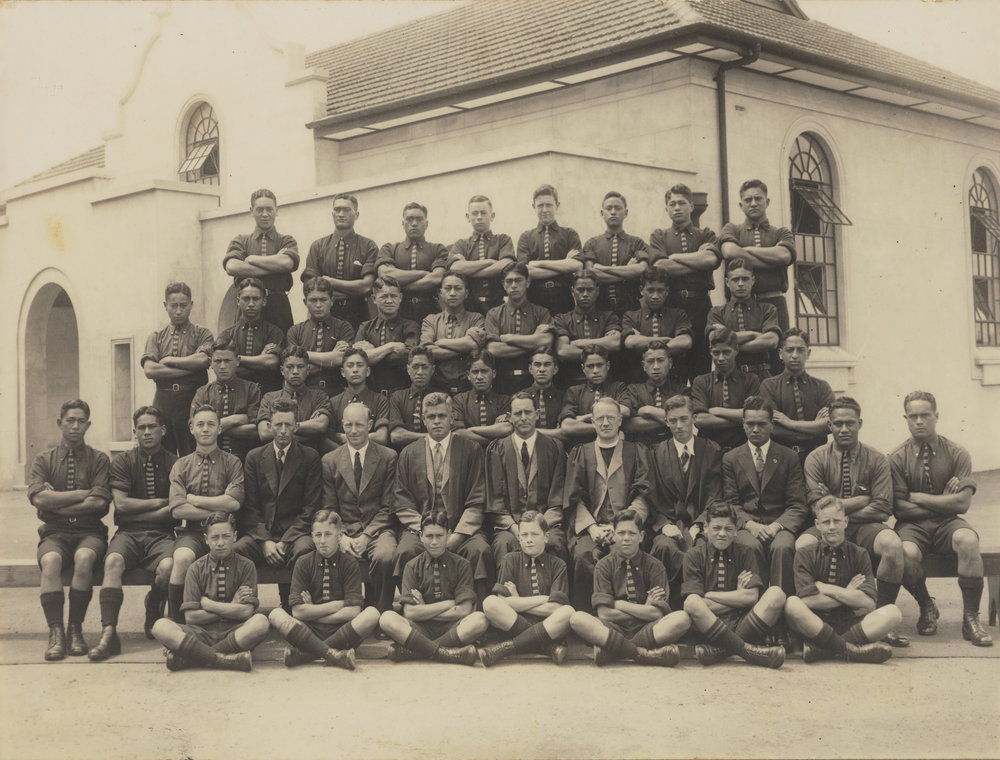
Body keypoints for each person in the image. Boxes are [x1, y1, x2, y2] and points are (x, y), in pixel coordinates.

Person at [800, 396, 909, 647]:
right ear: (829, 426)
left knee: (892, 545)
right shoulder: (815, 458)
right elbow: (817, 507)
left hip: (865, 527)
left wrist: (834, 506)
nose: (844, 429)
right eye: (838, 424)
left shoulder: (877, 458)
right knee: (801, 545)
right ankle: (817, 616)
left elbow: (882, 508)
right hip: (827, 527)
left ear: (860, 423)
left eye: (850, 423)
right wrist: (862, 499)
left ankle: (879, 615)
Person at [890, 391, 992, 646]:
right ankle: (926, 604)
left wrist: (919, 497)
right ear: (906, 418)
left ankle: (971, 620)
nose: (919, 421)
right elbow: (899, 510)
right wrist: (942, 503)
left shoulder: (957, 453)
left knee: (968, 540)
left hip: (949, 524)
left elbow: (962, 504)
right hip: (912, 526)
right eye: (913, 416)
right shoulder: (896, 457)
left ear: (937, 416)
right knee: (904, 552)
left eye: (925, 415)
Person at [88, 406, 177, 661]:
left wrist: (145, 508)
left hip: (161, 534)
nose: (147, 432)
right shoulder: (124, 461)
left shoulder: (174, 462)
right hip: (128, 532)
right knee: (113, 561)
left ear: (163, 430)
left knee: (169, 567)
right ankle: (109, 633)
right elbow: (122, 506)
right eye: (141, 428)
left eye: (152, 427)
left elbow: (175, 511)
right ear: (135, 431)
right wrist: (160, 503)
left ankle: (154, 604)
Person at [392, 393, 495, 602]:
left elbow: (477, 498)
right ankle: (411, 612)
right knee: (406, 550)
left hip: (461, 529)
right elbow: (402, 501)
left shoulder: (471, 450)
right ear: (423, 420)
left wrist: (457, 535)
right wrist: (426, 533)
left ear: (452, 417)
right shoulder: (409, 453)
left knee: (479, 550)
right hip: (421, 530)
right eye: (431, 417)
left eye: (441, 415)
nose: (436, 421)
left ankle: (480, 615)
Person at [29, 399, 111, 661]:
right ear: (59, 423)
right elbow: (39, 499)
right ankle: (56, 632)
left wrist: (55, 504)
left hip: (90, 532)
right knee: (51, 561)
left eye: (81, 421)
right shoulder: (43, 459)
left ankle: (75, 628)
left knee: (84, 558)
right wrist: (80, 495)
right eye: (70, 421)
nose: (75, 426)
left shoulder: (99, 459)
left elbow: (99, 503)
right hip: (54, 532)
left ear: (88, 425)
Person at [784, 497, 899, 663]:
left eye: (836, 521)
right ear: (817, 525)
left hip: (848, 623)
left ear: (845, 522)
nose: (832, 527)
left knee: (893, 613)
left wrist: (825, 588)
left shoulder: (859, 553)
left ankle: (824, 650)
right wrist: (848, 594)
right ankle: (851, 650)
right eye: (826, 522)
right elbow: (807, 600)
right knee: (792, 604)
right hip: (813, 625)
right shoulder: (805, 554)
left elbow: (868, 602)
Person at [149, 512, 269, 672]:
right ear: (206, 539)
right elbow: (191, 617)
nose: (220, 543)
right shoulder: (196, 568)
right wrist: (232, 606)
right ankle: (224, 659)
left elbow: (246, 612)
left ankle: (192, 658)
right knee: (160, 626)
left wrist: (208, 604)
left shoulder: (246, 566)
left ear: (235, 536)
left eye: (226, 536)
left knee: (260, 622)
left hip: (234, 632)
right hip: (200, 634)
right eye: (215, 537)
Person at [568, 509, 690, 666]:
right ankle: (642, 654)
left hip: (647, 628)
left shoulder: (655, 566)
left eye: (632, 533)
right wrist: (644, 609)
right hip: (613, 628)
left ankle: (614, 651)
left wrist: (618, 604)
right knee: (577, 619)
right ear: (614, 536)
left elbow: (657, 614)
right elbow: (604, 614)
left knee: (683, 618)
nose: (626, 538)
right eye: (621, 533)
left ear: (641, 536)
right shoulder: (604, 566)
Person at [235, 399, 322, 611]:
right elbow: (251, 508)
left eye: (288, 425)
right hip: (261, 534)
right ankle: (244, 607)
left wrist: (284, 542)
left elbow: (310, 508)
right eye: (278, 425)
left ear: (296, 426)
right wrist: (265, 542)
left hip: (294, 534)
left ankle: (296, 605)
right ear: (269, 426)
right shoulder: (254, 457)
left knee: (306, 549)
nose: (283, 431)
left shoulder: (310, 457)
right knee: (237, 551)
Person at [565, 397, 650, 611]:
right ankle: (587, 616)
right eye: (600, 418)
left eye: (610, 417)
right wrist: (592, 528)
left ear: (620, 420)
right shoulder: (580, 453)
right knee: (583, 555)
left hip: (625, 526)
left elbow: (644, 495)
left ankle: (621, 613)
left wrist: (620, 527)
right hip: (589, 528)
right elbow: (573, 498)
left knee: (621, 552)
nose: (605, 423)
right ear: (592, 422)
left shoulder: (636, 451)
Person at [267, 510, 381, 669]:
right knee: (275, 614)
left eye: (328, 534)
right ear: (312, 537)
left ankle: (309, 655)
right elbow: (298, 612)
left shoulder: (349, 563)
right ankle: (333, 655)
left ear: (339, 536)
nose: (322, 540)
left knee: (372, 614)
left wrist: (313, 611)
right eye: (318, 535)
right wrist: (336, 605)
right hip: (309, 630)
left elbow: (353, 611)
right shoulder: (303, 562)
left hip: (342, 631)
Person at [681, 501, 786, 668]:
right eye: (716, 528)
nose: (722, 534)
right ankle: (748, 651)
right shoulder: (693, 556)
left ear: (736, 530)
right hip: (709, 625)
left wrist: (709, 595)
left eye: (728, 529)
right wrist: (737, 598)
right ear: (706, 528)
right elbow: (695, 604)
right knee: (692, 603)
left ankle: (719, 651)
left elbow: (751, 597)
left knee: (776, 594)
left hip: (742, 622)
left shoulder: (746, 552)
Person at [165, 405, 244, 624]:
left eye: (211, 424)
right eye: (200, 424)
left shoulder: (233, 462)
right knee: (181, 558)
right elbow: (178, 509)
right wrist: (219, 505)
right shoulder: (181, 465)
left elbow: (234, 503)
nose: (206, 429)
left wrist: (194, 499)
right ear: (191, 428)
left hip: (223, 534)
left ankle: (226, 620)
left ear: (219, 429)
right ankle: (177, 624)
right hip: (192, 533)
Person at [722, 396, 807, 597]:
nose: (756, 429)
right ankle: (756, 610)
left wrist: (777, 526)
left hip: (779, 524)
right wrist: (750, 525)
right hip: (747, 524)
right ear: (743, 425)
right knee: (748, 546)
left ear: (772, 425)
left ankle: (783, 609)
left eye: (761, 424)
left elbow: (797, 504)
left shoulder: (788, 457)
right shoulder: (731, 458)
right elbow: (731, 503)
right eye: (750, 424)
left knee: (784, 547)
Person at [378, 510, 488, 665]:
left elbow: (464, 610)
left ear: (448, 535)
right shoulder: (412, 566)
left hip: (452, 628)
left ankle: (417, 650)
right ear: (421, 536)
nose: (434, 542)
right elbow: (410, 613)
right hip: (419, 628)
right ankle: (445, 653)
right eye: (429, 536)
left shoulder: (462, 564)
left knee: (480, 619)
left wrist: (424, 610)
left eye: (439, 536)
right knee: (386, 618)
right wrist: (448, 604)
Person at [321, 401, 399, 612]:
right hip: (344, 528)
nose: (353, 431)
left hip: (378, 529)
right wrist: (341, 536)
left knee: (386, 556)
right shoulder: (330, 460)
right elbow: (330, 507)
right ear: (342, 426)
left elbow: (389, 506)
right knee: (330, 552)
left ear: (370, 424)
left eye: (359, 425)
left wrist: (366, 536)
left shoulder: (388, 456)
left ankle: (383, 612)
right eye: (348, 425)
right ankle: (346, 614)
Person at [647, 395, 723, 607]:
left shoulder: (711, 450)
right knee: (664, 547)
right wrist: (664, 525)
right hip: (670, 523)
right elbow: (651, 496)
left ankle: (705, 611)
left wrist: (700, 524)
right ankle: (665, 609)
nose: (679, 426)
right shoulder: (655, 453)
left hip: (702, 522)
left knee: (705, 547)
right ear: (666, 422)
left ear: (694, 418)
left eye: (684, 419)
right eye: (673, 421)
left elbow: (715, 494)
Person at [477, 511, 574, 667]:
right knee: (489, 602)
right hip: (515, 623)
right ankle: (547, 648)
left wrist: (517, 601)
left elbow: (556, 608)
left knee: (568, 612)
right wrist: (544, 598)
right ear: (519, 537)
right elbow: (502, 603)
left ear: (546, 537)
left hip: (548, 625)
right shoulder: (510, 560)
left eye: (534, 534)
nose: (528, 540)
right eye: (524, 535)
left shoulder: (558, 564)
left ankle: (506, 648)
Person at [719, 180, 796, 375]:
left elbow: (784, 256)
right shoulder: (732, 229)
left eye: (758, 198)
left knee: (778, 357)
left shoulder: (781, 232)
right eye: (748, 199)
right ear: (741, 204)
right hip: (740, 304)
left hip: (774, 301)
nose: (753, 203)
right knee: (737, 360)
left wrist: (745, 251)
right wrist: (769, 259)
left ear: (767, 201)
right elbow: (729, 251)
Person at [648, 183, 722, 381]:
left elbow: (711, 260)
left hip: (700, 306)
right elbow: (660, 266)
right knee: (675, 366)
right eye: (672, 204)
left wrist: (674, 257)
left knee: (702, 364)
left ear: (691, 206)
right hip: (671, 306)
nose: (677, 208)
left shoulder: (706, 234)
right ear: (667, 209)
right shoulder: (659, 236)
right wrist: (697, 259)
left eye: (682, 203)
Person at [485, 392, 568, 566]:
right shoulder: (497, 449)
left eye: (528, 412)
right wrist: (516, 529)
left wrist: (540, 527)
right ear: (510, 417)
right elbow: (496, 501)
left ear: (537, 414)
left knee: (554, 542)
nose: (523, 418)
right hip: (511, 526)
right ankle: (507, 592)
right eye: (518, 413)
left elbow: (558, 497)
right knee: (503, 544)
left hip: (546, 524)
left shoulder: (554, 447)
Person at [141, 282, 213, 455]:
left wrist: (169, 360)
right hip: (163, 401)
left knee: (193, 452)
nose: (179, 311)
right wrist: (190, 370)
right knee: (163, 453)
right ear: (165, 306)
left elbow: (202, 359)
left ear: (191, 305)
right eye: (174, 306)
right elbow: (150, 370)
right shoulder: (156, 337)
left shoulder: (202, 333)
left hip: (192, 398)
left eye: (183, 305)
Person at [222, 188, 299, 332]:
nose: (265, 214)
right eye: (260, 209)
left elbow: (287, 263)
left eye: (269, 209)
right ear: (251, 211)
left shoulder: (286, 240)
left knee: (280, 349)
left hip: (278, 306)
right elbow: (232, 267)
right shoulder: (240, 240)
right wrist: (274, 265)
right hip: (247, 305)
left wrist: (251, 259)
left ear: (277, 210)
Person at [301, 192, 379, 330]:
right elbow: (310, 287)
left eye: (347, 210)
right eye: (337, 210)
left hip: (357, 313)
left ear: (357, 214)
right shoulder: (318, 246)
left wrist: (331, 282)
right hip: (324, 314)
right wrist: (352, 289)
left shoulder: (368, 246)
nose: (341, 214)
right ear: (332, 214)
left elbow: (367, 286)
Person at [760, 328, 833, 466]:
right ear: (781, 354)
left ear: (808, 353)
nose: (795, 355)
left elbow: (831, 424)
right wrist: (815, 428)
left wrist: (790, 423)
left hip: (818, 459)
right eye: (789, 350)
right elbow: (774, 430)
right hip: (782, 460)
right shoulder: (769, 386)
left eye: (800, 350)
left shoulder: (821, 386)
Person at [705, 258, 780, 383]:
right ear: (727, 282)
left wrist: (730, 344)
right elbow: (714, 339)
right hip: (729, 378)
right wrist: (753, 334)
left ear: (753, 281)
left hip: (761, 377)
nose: (740, 284)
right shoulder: (717, 312)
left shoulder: (767, 309)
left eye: (745, 279)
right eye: (735, 279)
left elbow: (772, 340)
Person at [484, 263, 554, 394]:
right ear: (503, 285)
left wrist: (509, 338)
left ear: (527, 282)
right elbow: (493, 349)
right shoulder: (493, 314)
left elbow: (546, 342)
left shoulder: (541, 313)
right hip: (502, 382)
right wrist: (534, 341)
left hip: (533, 380)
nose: (514, 285)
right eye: (509, 281)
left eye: (518, 280)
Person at [375, 202, 449, 324]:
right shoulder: (390, 249)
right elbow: (386, 275)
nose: (414, 223)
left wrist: (399, 285)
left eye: (419, 219)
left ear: (426, 224)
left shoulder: (438, 249)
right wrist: (423, 273)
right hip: (398, 312)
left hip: (430, 310)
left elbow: (436, 278)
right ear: (403, 223)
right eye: (409, 219)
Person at [691, 328, 762, 453]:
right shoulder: (701, 381)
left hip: (743, 451)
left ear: (736, 350)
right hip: (709, 452)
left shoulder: (751, 380)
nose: (721, 358)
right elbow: (700, 420)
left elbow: (755, 415)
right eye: (716, 353)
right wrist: (743, 420)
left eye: (726, 352)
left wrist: (718, 411)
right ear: (710, 352)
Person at [516, 184, 583, 316]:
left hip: (564, 298)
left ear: (557, 205)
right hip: (534, 299)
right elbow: (525, 272)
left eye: (549, 205)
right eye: (540, 205)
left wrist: (538, 263)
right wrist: (564, 264)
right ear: (533, 207)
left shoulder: (570, 234)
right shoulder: (526, 237)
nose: (545, 209)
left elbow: (577, 265)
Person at [190, 339, 261, 461]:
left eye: (228, 361)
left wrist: (212, 428)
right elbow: (196, 429)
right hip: (211, 458)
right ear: (210, 363)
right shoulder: (202, 393)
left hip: (245, 458)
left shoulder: (251, 389)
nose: (223, 366)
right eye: (218, 361)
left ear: (237, 361)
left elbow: (255, 431)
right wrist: (237, 419)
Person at [582, 190, 649, 316]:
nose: (613, 212)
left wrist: (603, 268)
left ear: (626, 213)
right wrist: (628, 271)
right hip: (600, 310)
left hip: (631, 308)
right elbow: (590, 274)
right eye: (609, 208)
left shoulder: (637, 242)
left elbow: (642, 269)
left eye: (618, 208)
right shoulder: (592, 243)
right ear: (602, 213)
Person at [620, 268, 692, 384]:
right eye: (650, 290)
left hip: (673, 380)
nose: (655, 296)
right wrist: (664, 340)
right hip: (639, 381)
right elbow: (630, 342)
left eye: (660, 291)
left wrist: (643, 341)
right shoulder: (631, 316)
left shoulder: (678, 314)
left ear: (667, 291)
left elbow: (685, 341)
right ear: (641, 290)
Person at [285, 278, 355, 396]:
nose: (318, 305)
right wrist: (330, 359)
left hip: (336, 393)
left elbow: (340, 360)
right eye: (313, 300)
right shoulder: (295, 331)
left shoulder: (344, 327)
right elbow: (294, 367)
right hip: (304, 393)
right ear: (305, 302)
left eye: (323, 300)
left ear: (332, 301)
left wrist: (303, 354)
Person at [447, 194, 515, 313]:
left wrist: (469, 270)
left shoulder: (503, 240)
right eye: (475, 213)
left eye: (483, 213)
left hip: (498, 305)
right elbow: (455, 268)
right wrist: (490, 262)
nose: (479, 217)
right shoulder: (461, 244)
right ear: (468, 217)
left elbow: (507, 264)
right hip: (469, 308)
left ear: (492, 216)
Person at [216, 277, 285, 394]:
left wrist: (235, 359)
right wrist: (259, 361)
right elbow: (223, 366)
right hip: (235, 393)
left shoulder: (274, 332)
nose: (251, 304)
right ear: (238, 301)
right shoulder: (227, 334)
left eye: (256, 299)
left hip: (266, 393)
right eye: (246, 299)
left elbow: (270, 362)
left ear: (264, 302)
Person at [420, 273, 486, 395]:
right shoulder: (431, 320)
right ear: (440, 293)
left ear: (466, 293)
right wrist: (464, 348)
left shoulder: (476, 318)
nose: (452, 293)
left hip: (468, 387)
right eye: (448, 288)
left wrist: (443, 342)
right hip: (437, 387)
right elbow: (427, 351)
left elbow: (472, 343)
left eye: (458, 288)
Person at [257, 348, 333, 452]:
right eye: (290, 367)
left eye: (300, 367)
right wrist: (308, 433)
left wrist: (280, 429)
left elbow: (321, 425)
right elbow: (264, 433)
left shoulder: (319, 396)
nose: (295, 372)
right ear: (282, 370)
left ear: (308, 370)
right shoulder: (270, 398)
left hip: (310, 459)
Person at [553, 272, 621, 387]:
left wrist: (580, 343)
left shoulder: (609, 317)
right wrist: (600, 352)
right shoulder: (562, 319)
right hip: (572, 383)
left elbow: (615, 343)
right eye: (580, 290)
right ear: (572, 291)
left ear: (597, 291)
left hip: (605, 384)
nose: (585, 294)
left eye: (590, 290)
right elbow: (563, 351)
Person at [353, 275, 420, 393]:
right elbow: (358, 360)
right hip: (371, 394)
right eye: (384, 296)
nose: (389, 301)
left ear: (400, 298)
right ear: (374, 299)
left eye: (393, 296)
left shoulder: (410, 326)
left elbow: (407, 357)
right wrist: (390, 347)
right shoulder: (366, 327)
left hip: (401, 394)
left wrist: (372, 353)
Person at [622, 341, 689, 448]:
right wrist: (671, 421)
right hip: (641, 450)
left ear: (670, 363)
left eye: (661, 360)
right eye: (650, 361)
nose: (656, 366)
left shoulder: (682, 390)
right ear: (644, 366)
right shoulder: (633, 390)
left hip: (674, 450)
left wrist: (648, 410)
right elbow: (629, 426)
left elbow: (686, 422)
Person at [558, 346, 628, 443]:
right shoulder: (574, 391)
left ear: (607, 366)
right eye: (590, 366)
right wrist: (606, 428)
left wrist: (585, 417)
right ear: (583, 368)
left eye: (599, 365)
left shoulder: (618, 387)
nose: (595, 371)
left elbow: (625, 410)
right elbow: (567, 426)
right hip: (584, 448)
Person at [327, 348, 390, 446]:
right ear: (343, 372)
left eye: (360, 365)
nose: (355, 370)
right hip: (341, 458)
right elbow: (326, 439)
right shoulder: (333, 402)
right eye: (350, 366)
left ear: (368, 371)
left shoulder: (380, 400)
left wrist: (343, 437)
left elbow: (381, 437)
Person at [451, 351, 512, 446]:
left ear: (494, 373)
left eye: (484, 371)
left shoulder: (504, 400)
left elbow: (505, 429)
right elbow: (458, 433)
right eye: (475, 372)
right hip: (468, 453)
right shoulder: (460, 400)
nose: (479, 377)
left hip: (497, 454)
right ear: (468, 375)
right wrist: (493, 439)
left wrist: (471, 430)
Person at [387, 346, 435, 449]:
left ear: (432, 370)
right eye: (415, 367)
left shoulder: (440, 397)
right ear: (408, 369)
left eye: (425, 367)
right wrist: (431, 437)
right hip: (405, 455)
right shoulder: (398, 397)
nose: (420, 372)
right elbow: (396, 436)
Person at [523, 348, 565, 440]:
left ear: (555, 369)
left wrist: (530, 432)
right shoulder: (520, 398)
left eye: (547, 364)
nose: (542, 369)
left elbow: (565, 434)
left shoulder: (565, 397)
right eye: (537, 365)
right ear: (530, 369)